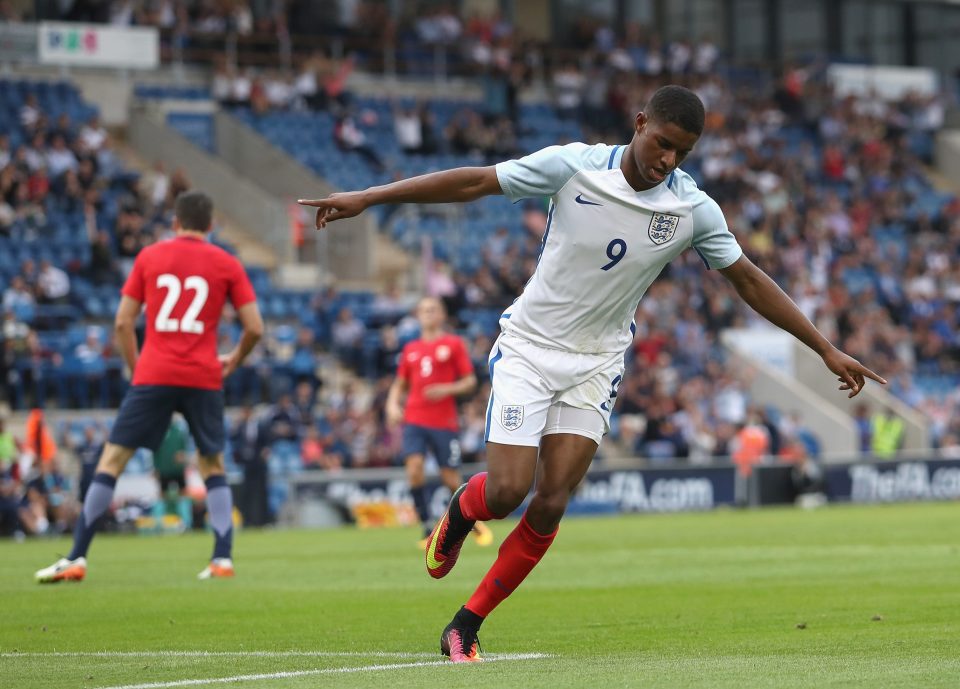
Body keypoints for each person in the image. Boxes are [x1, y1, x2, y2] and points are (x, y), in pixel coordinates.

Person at [299, 85, 886, 662]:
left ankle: (465, 625)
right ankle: (460, 511)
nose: (667, 160)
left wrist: (824, 348)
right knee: (505, 492)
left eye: (682, 152)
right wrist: (371, 197)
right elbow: (477, 181)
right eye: (661, 143)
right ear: (638, 123)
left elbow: (749, 279)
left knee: (551, 501)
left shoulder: (691, 209)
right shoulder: (572, 168)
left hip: (596, 363)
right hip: (529, 347)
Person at [35, 191, 263, 583]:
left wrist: (136, 368)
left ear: (174, 223)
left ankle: (77, 557)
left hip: (154, 372)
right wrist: (233, 360)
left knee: (112, 461)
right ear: (210, 226)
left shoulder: (150, 256)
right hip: (204, 374)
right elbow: (255, 328)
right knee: (212, 464)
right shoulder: (226, 263)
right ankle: (222, 559)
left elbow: (123, 323)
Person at [385, 296, 492, 548]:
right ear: (418, 315)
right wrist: (392, 404)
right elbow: (400, 384)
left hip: (444, 422)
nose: (428, 313)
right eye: (424, 310)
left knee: (450, 479)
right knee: (414, 469)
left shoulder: (453, 344)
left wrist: (445, 389)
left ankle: (474, 523)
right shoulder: (411, 349)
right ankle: (425, 526)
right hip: (414, 418)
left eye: (433, 309)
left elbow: (469, 381)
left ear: (442, 315)